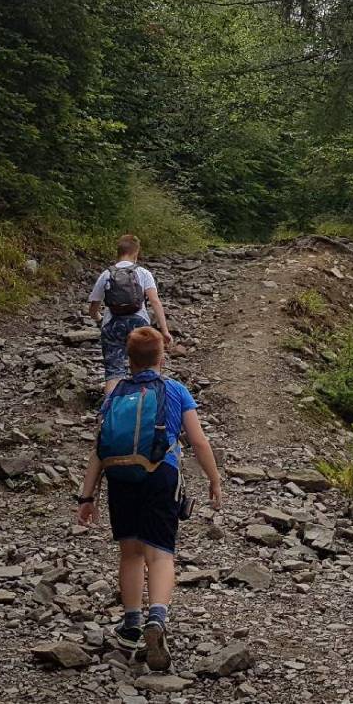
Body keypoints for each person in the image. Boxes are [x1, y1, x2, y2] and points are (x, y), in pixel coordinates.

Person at [75, 327, 223, 670]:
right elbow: (198, 441)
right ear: (161, 357)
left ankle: (131, 625)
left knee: (130, 553)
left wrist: (87, 496)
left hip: (120, 476)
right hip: (160, 473)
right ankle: (156, 618)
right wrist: (214, 480)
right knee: (160, 553)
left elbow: (99, 448)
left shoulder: (115, 392)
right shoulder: (174, 390)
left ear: (129, 359)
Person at [87, 234, 174, 399]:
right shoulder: (143, 273)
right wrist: (164, 331)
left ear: (118, 252)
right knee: (146, 368)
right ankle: (147, 405)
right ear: (136, 252)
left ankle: (111, 410)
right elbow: (155, 302)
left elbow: (92, 309)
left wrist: (100, 320)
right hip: (140, 325)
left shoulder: (106, 274)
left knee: (114, 372)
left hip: (112, 325)